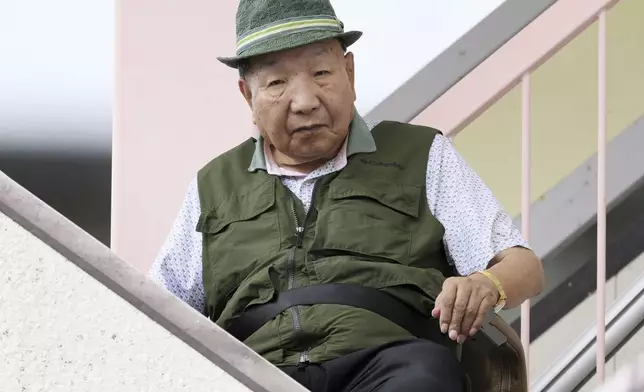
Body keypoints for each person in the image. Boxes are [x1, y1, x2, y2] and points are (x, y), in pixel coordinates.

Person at [149, 0, 545, 391]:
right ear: (247, 97)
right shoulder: (213, 186)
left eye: (321, 73)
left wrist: (486, 283)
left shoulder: (421, 154)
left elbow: (522, 266)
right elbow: (155, 308)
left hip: (390, 362)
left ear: (350, 73)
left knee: (425, 374)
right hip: (253, 372)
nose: (305, 102)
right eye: (276, 83)